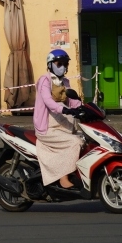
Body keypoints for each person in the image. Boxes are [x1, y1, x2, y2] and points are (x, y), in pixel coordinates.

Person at [34, 48, 85, 190]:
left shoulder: (65, 82)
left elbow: (73, 101)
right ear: (50, 64)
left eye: (65, 63)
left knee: (85, 140)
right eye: (59, 63)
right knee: (74, 142)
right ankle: (63, 177)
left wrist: (86, 108)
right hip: (48, 127)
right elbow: (48, 101)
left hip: (63, 125)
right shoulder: (45, 80)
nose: (62, 66)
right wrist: (63, 109)